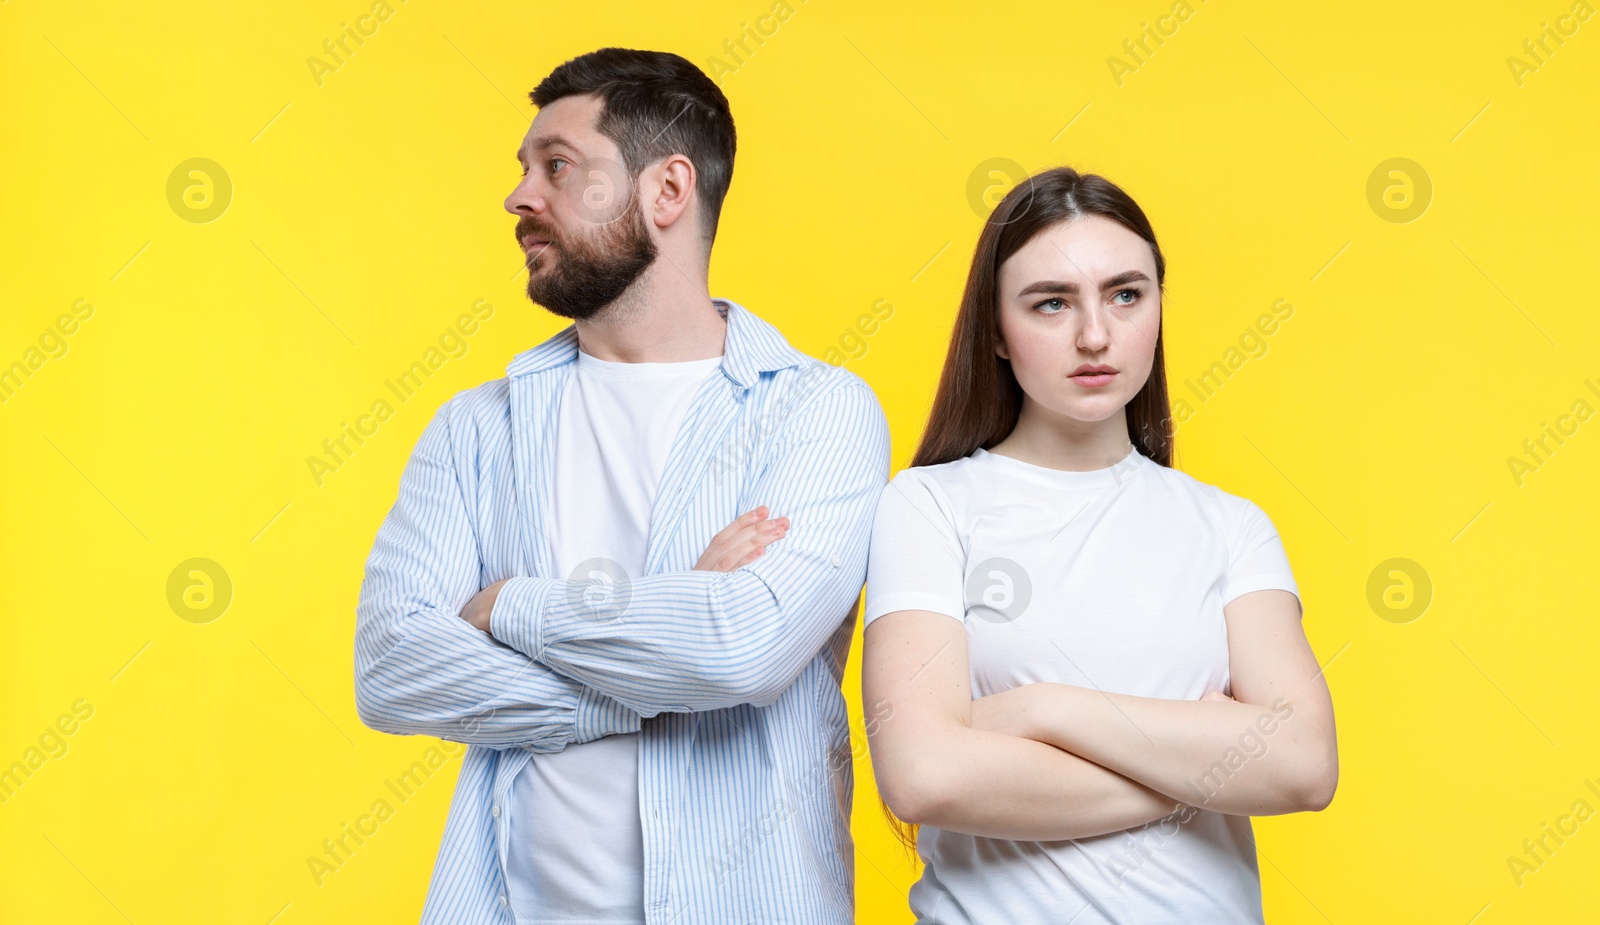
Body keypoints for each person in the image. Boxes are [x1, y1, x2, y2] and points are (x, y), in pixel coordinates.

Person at [353, 47, 889, 925]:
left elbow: (742, 647)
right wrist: (670, 633)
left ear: (667, 190)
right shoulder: (476, 428)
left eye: (557, 166)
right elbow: (392, 669)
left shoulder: (816, 411)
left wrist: (508, 609)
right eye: (524, 169)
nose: (520, 197)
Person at [861, 166, 1338, 923]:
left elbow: (1307, 765)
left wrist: (1043, 709)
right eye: (1051, 302)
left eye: (1126, 294)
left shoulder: (1230, 525)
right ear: (996, 332)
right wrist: (1209, 763)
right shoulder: (927, 507)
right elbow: (924, 776)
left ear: (1157, 304)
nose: (1094, 334)